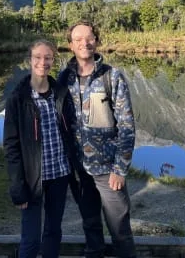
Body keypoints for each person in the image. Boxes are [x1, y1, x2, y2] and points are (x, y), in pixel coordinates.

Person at [58, 20, 137, 258]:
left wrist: (120, 169)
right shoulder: (63, 79)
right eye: (78, 39)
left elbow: (127, 126)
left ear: (97, 41)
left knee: (120, 229)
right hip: (79, 171)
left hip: (108, 170)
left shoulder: (112, 77)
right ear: (71, 45)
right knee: (90, 225)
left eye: (89, 38)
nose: (85, 43)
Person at [3, 39, 79, 258]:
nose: (42, 62)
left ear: (53, 60)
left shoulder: (60, 93)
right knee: (31, 238)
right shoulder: (18, 99)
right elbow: (11, 146)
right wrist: (18, 187)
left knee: (53, 232)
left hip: (59, 174)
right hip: (32, 179)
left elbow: (71, 131)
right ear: (29, 60)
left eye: (48, 58)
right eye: (37, 57)